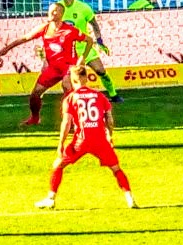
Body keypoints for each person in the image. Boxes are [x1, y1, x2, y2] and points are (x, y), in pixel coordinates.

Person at [36, 65, 136, 211]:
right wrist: (110, 136)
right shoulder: (100, 96)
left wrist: (60, 144)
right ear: (87, 78)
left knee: (58, 164)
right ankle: (130, 199)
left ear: (73, 80)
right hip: (100, 140)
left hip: (81, 140)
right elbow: (109, 119)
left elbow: (66, 123)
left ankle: (50, 199)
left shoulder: (70, 98)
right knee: (116, 169)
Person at [0, 2, 90, 127]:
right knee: (35, 94)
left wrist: (82, 58)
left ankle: (71, 120)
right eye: (50, 10)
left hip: (68, 66)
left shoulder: (70, 30)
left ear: (61, 14)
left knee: (67, 87)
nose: (51, 12)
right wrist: (7, 48)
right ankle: (35, 118)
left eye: (55, 10)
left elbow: (89, 40)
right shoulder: (45, 28)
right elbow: (25, 38)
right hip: (53, 68)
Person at [53, 0, 121, 101]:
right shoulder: (57, 8)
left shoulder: (84, 8)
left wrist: (99, 41)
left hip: (85, 47)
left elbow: (94, 24)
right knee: (71, 78)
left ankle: (113, 94)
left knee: (100, 70)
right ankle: (73, 100)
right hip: (67, 50)